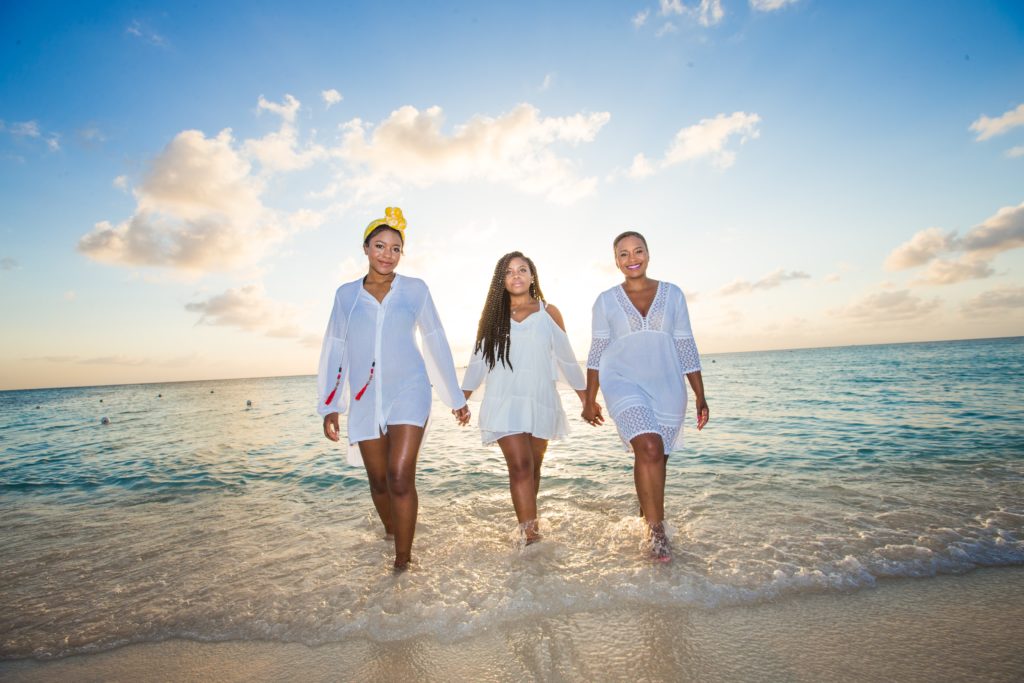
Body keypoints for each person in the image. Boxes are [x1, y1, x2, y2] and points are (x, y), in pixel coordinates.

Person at [318, 207, 470, 570]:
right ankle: (391, 534)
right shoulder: (346, 296)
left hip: (410, 390)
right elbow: (334, 348)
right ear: (366, 248)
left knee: (401, 477)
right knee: (380, 482)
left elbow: (435, 340)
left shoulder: (415, 290)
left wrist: (454, 396)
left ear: (402, 253)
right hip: (364, 397)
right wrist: (330, 405)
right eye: (380, 246)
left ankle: (403, 561)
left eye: (395, 248)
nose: (387, 254)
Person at [581, 231, 709, 562]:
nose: (631, 258)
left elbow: (685, 344)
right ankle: (656, 533)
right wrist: (588, 398)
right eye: (623, 254)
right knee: (649, 446)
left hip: (667, 384)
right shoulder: (606, 300)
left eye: (638, 251)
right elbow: (597, 350)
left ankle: (645, 516)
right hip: (621, 380)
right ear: (615, 260)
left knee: (656, 459)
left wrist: (700, 394)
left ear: (648, 254)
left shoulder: (674, 294)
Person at [461, 251, 591, 544]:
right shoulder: (492, 317)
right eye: (509, 271)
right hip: (503, 400)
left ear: (533, 276)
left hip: (539, 399)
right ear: (501, 280)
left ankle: (529, 522)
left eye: (522, 270)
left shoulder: (549, 312)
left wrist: (586, 399)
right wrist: (462, 398)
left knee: (533, 467)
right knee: (519, 465)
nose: (516, 275)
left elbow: (567, 358)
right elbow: (478, 361)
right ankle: (530, 538)